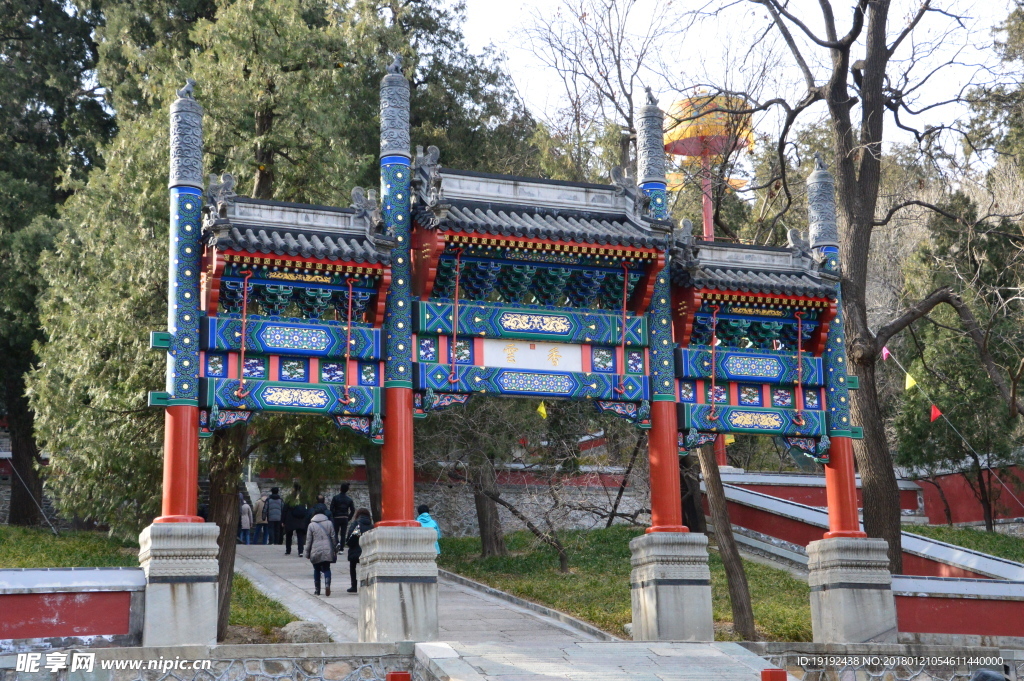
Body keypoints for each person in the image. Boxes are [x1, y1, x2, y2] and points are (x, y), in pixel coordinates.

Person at [304, 507, 337, 596]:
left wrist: (307, 553)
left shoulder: (311, 525)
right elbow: (333, 537)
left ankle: (317, 590)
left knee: (316, 569)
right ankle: (327, 584)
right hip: (327, 549)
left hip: (315, 550)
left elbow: (308, 540)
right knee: (327, 568)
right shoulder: (329, 523)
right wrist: (335, 549)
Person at [344, 508, 373, 593]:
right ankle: (367, 583)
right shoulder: (371, 526)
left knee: (352, 566)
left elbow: (350, 536)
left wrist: (349, 544)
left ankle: (354, 585)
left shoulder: (356, 524)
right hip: (367, 551)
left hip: (355, 550)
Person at [284, 488, 309, 556]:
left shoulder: (289, 499)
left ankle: (288, 550)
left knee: (289, 535)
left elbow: (285, 510)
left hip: (290, 519)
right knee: (300, 536)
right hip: (300, 520)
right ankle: (300, 551)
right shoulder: (303, 500)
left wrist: (283, 521)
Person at [330, 483, 355, 547]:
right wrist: (349, 517)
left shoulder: (335, 498)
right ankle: (342, 548)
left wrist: (333, 515)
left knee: (335, 532)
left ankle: (337, 543)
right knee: (343, 534)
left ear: (340, 489)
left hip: (337, 517)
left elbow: (331, 508)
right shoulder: (349, 499)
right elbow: (353, 510)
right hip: (345, 517)